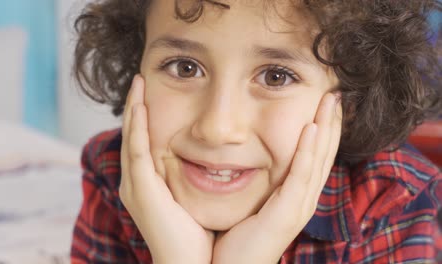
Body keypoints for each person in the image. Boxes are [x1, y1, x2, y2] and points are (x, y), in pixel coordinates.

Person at [70, 0, 442, 263]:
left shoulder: (391, 203)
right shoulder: (113, 174)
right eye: (184, 68)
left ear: (350, 99)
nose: (217, 128)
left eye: (275, 76)